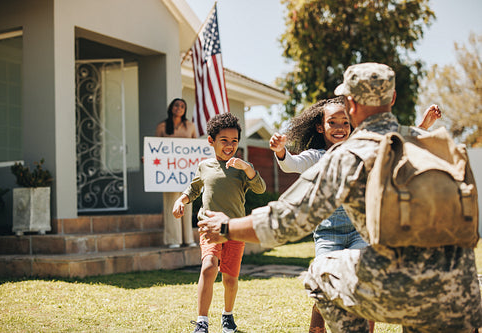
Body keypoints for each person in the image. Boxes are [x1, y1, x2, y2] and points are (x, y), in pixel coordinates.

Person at [198, 63, 482, 332]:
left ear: (352, 105)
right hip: (464, 293)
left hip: (404, 291)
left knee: (322, 273)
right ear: (393, 98)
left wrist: (226, 227)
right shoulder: (429, 143)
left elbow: (287, 220)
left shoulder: (350, 155)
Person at [270, 99, 440, 333]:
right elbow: (291, 164)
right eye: (333, 122)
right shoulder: (316, 156)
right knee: (325, 287)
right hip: (328, 234)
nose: (340, 128)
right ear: (321, 127)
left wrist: (423, 125)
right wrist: (281, 150)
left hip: (360, 231)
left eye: (345, 122)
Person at [172, 113, 266, 333]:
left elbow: (260, 188)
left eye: (234, 141)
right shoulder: (205, 166)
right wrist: (181, 200)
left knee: (230, 279)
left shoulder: (242, 168)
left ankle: (227, 315)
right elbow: (193, 190)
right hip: (209, 226)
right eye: (224, 140)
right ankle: (202, 321)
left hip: (235, 229)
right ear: (211, 141)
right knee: (208, 267)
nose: (230, 146)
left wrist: (247, 168)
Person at [156, 98, 197, 248]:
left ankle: (188, 239)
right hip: (169, 173)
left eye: (182, 106)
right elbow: (156, 148)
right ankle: (174, 239)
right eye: (176, 105)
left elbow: (195, 148)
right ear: (171, 108)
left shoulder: (190, 126)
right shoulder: (162, 127)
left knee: (187, 202)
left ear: (185, 110)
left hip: (186, 171)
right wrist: (148, 159)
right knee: (170, 204)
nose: (179, 108)